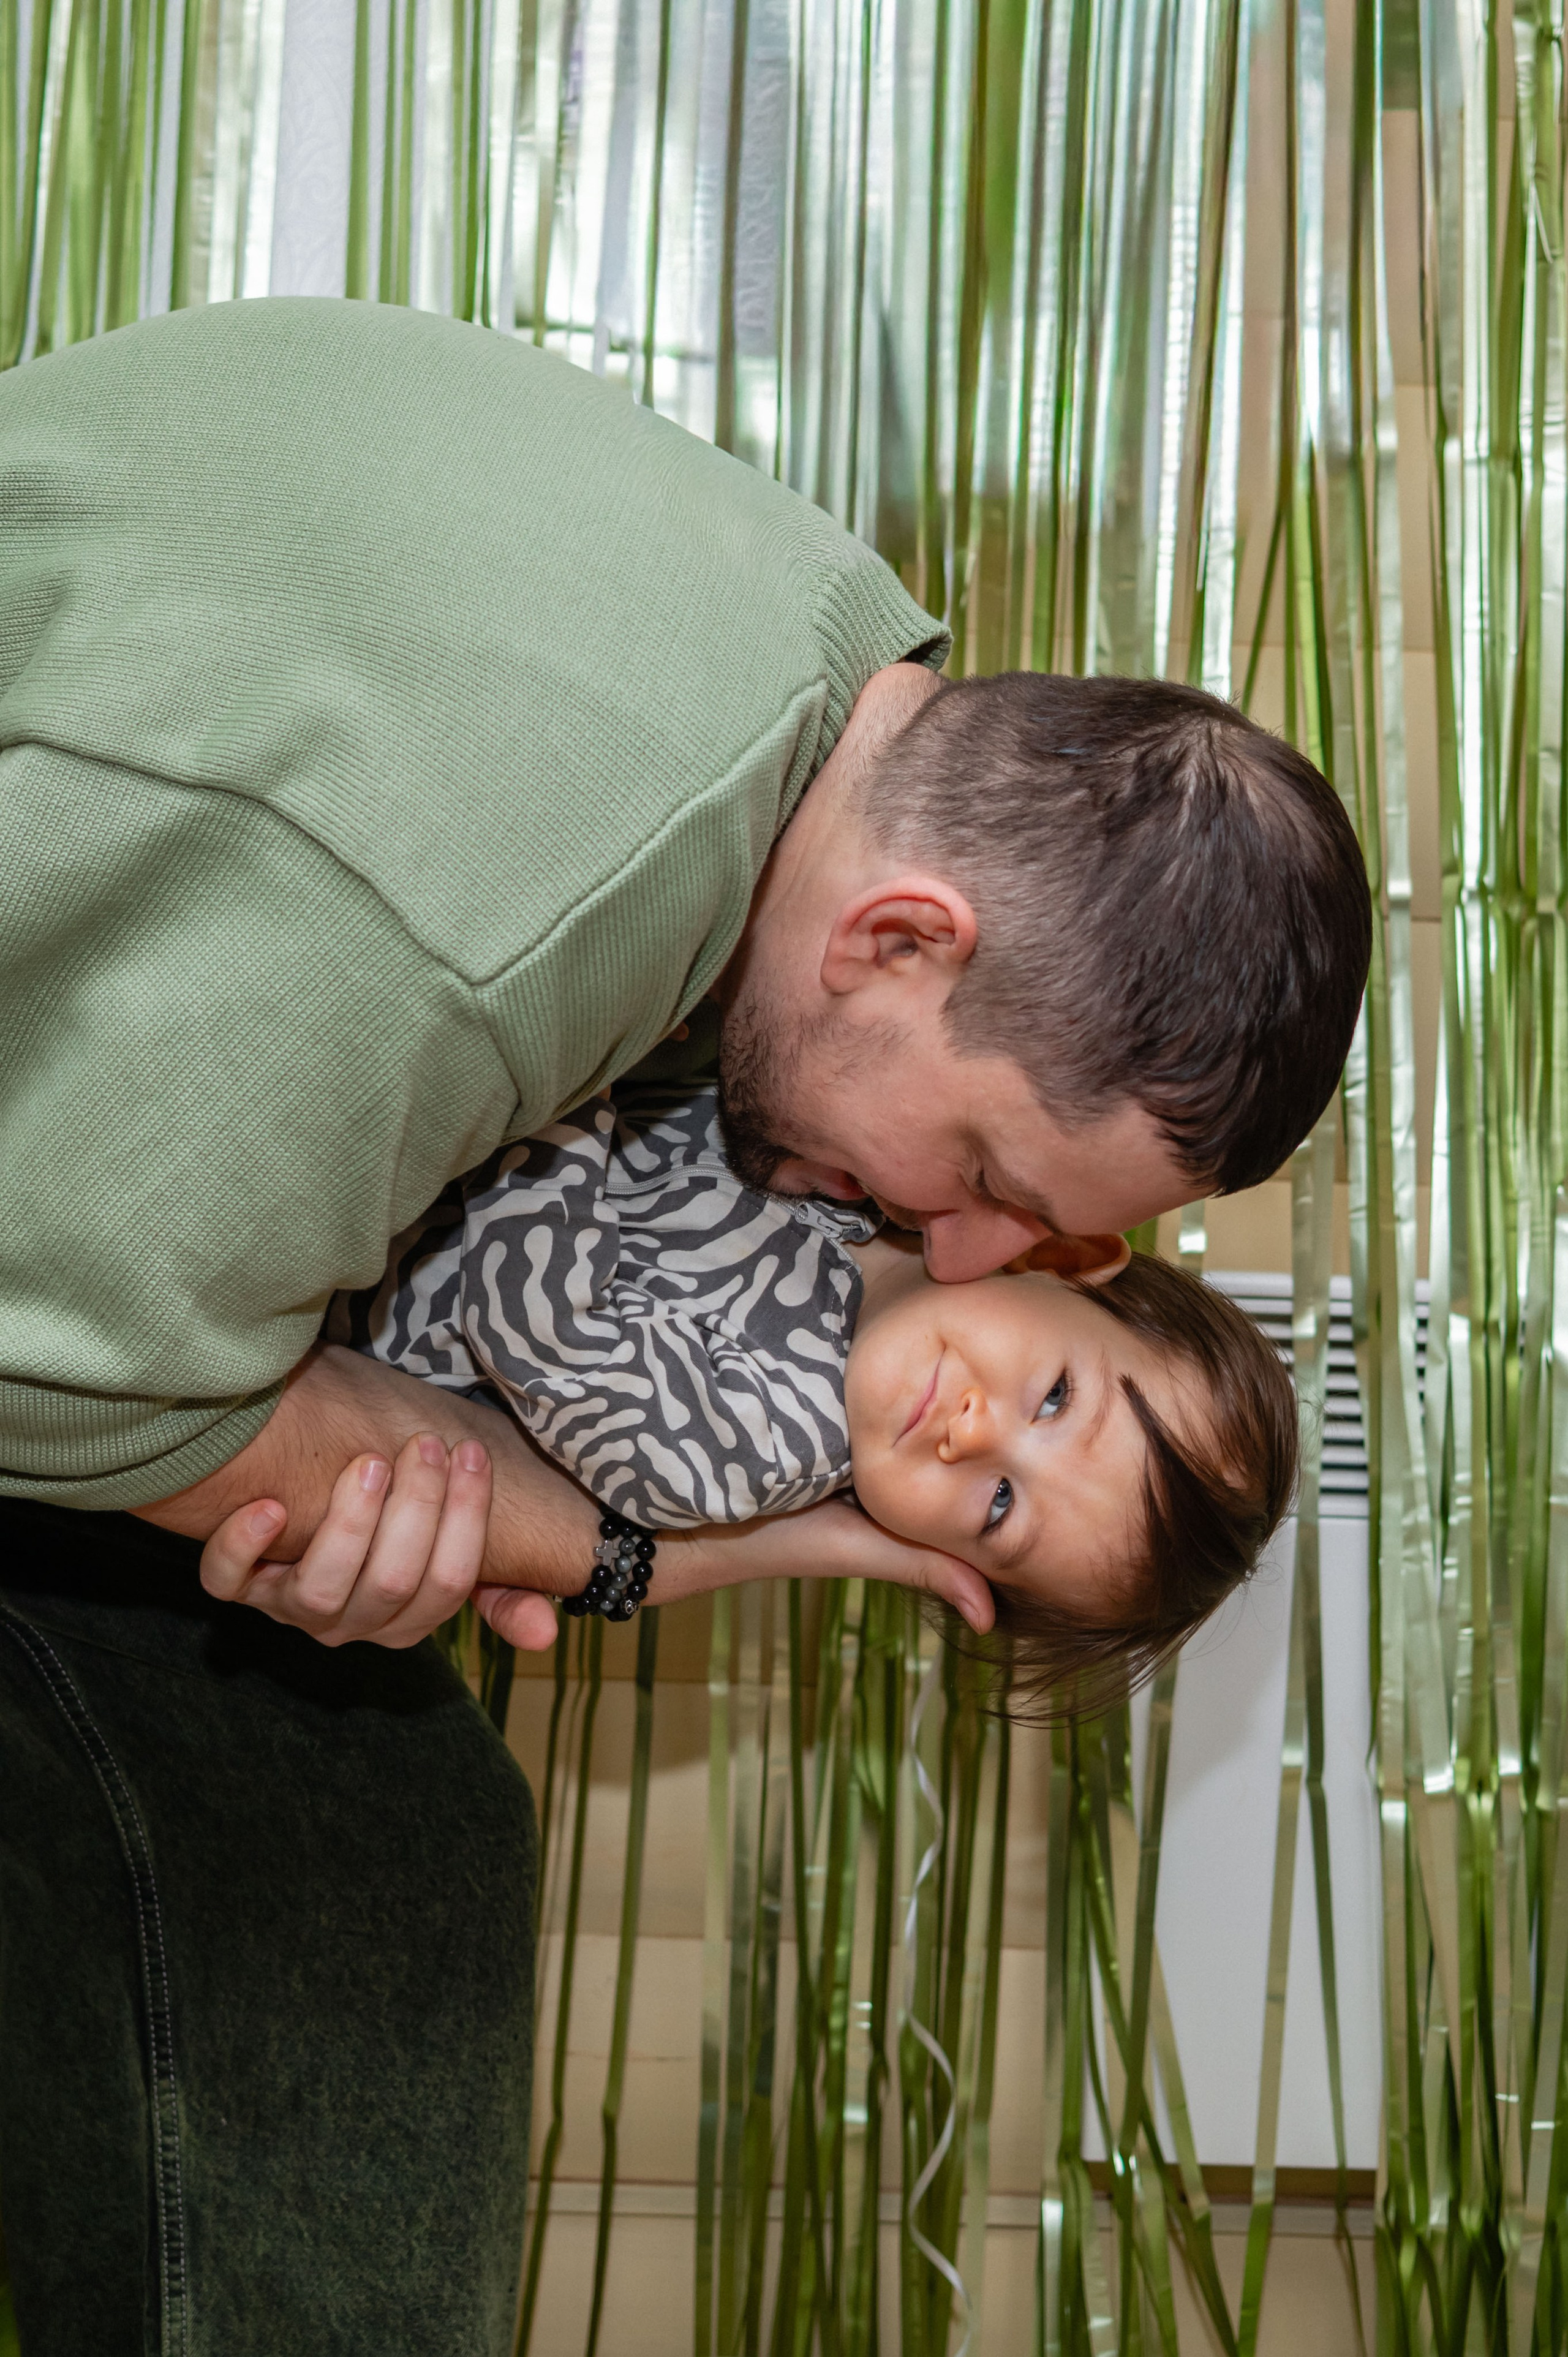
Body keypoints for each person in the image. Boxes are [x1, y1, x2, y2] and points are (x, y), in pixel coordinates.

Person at [0, 296, 1369, 2351]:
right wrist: (578, 1534)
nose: (961, 1253)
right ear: (902, 940)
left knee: (398, 1834)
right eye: (984, 1171)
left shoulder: (810, 642)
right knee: (347, 1948)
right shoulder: (498, 922)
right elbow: (77, 1389)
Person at [340, 1072, 1299, 1716]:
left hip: (347, 1246)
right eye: (1054, 1398)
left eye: (1001, 1505)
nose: (973, 1436)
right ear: (1063, 1259)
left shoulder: (742, 1456)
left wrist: (585, 1055)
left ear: (932, 1555)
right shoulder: (891, 1160)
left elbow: (535, 1313)